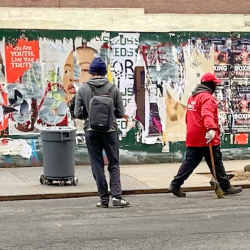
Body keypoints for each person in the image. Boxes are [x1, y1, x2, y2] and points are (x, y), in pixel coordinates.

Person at [169, 72, 242, 197]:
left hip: (194, 135)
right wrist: (211, 129)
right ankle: (225, 187)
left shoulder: (193, 97)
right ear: (210, 85)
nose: (216, 87)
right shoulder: (207, 98)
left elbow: (188, 117)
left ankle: (175, 184)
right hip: (206, 136)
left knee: (190, 162)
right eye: (215, 84)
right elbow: (207, 114)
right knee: (216, 161)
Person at [74, 56, 130, 208]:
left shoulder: (83, 89)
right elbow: (120, 113)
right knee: (113, 163)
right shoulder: (113, 88)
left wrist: (89, 115)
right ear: (105, 72)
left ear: (91, 72)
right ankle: (117, 197)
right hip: (110, 130)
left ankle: (104, 199)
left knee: (97, 164)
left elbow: (77, 114)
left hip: (91, 131)